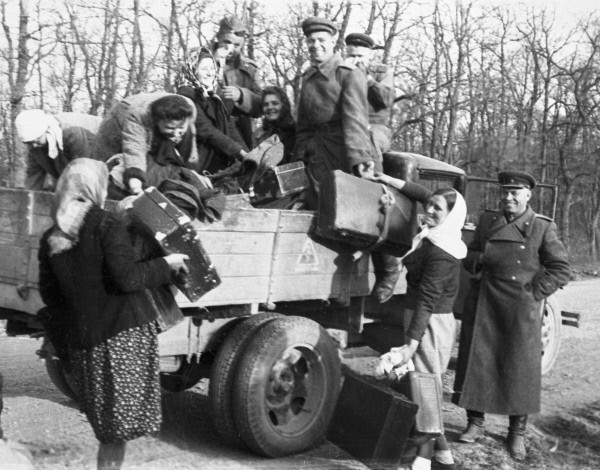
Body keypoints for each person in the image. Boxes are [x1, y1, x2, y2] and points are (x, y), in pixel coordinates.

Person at [37, 158, 189, 470]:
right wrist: (167, 265)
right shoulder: (106, 223)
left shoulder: (51, 236)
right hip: (121, 340)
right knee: (117, 432)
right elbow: (129, 278)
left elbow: (51, 297)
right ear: (96, 187)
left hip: (86, 346)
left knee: (109, 430)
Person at [452, 171, 571, 461]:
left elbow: (561, 269)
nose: (508, 198)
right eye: (504, 192)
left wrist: (534, 293)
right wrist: (476, 260)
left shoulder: (542, 227)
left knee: (520, 369)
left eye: (515, 193)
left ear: (528, 195)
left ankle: (516, 433)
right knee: (477, 361)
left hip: (521, 310)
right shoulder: (487, 221)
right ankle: (475, 423)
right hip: (485, 303)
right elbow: (468, 252)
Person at [371, 173, 466, 470]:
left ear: (452, 216)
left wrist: (411, 345)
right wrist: (384, 177)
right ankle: (443, 457)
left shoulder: (443, 251)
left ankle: (421, 461)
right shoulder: (434, 235)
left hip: (432, 322)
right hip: (419, 315)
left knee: (425, 387)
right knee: (423, 386)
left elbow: (427, 299)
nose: (430, 211)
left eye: (438, 208)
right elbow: (421, 192)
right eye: (430, 205)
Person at [92, 92, 199, 197]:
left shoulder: (189, 111)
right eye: (170, 128)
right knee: (103, 166)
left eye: (180, 128)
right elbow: (134, 148)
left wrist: (192, 171)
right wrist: (135, 181)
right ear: (157, 122)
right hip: (122, 111)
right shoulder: (138, 116)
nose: (176, 134)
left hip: (158, 108)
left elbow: (189, 145)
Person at [177, 46, 248, 175]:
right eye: (204, 69)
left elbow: (230, 128)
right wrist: (239, 152)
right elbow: (206, 130)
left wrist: (249, 154)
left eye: (212, 68)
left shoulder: (215, 97)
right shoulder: (186, 97)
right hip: (198, 165)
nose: (210, 73)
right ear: (193, 70)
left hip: (218, 161)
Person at [15, 109, 102, 190]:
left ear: (46, 130)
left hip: (100, 143)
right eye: (30, 142)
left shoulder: (71, 133)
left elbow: (82, 171)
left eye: (36, 140)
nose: (34, 145)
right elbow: (33, 176)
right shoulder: (35, 144)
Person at [214, 15, 263, 149]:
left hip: (242, 133)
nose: (231, 48)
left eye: (237, 45)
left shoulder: (249, 68)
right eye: (226, 42)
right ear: (218, 38)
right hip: (211, 130)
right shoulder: (201, 62)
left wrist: (241, 95)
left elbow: (260, 106)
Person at [344, 32, 395, 154]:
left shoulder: (382, 72)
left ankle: (373, 172)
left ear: (369, 55)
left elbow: (386, 100)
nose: (356, 60)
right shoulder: (340, 72)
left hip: (376, 127)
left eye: (360, 56)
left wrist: (367, 78)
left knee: (368, 140)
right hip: (347, 125)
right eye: (352, 56)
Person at [254, 86, 295, 164]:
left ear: (283, 105)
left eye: (275, 103)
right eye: (266, 104)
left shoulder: (295, 130)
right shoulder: (259, 135)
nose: (270, 107)